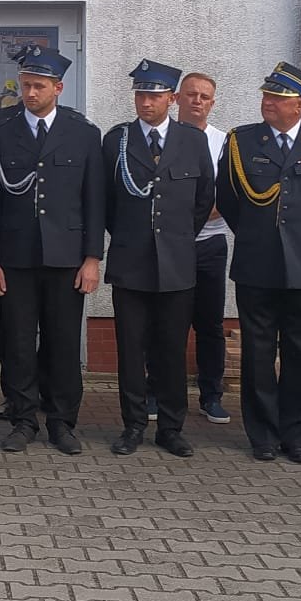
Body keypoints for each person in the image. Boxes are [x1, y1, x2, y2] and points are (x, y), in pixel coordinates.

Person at [215, 61, 301, 464]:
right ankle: (262, 434)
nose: (268, 102)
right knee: (258, 354)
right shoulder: (243, 141)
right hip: (258, 263)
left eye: (278, 98)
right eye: (266, 95)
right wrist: (258, 235)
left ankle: (299, 435)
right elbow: (228, 199)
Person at [0, 45, 104, 455]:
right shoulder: (1, 131)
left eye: (38, 86)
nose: (30, 93)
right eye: (25, 85)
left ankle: (61, 421)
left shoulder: (83, 133)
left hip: (66, 256)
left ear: (58, 88)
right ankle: (22, 418)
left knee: (63, 342)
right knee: (16, 341)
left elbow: (94, 201)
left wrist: (92, 258)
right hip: (16, 256)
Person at [101, 59, 215, 458]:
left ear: (172, 98)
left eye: (154, 95)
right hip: (131, 262)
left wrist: (176, 239)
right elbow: (107, 202)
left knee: (171, 349)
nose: (146, 103)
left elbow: (203, 198)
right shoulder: (117, 140)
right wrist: (132, 238)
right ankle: (133, 425)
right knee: (131, 350)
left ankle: (171, 427)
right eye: (140, 95)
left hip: (176, 264)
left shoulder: (192, 140)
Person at [177, 72, 232, 425]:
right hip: (170, 245)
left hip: (210, 242)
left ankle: (211, 395)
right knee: (166, 322)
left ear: (212, 103)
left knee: (210, 324)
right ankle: (158, 391)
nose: (197, 100)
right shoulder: (164, 137)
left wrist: (192, 218)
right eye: (191, 94)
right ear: (177, 98)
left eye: (204, 96)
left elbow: (227, 194)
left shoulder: (224, 142)